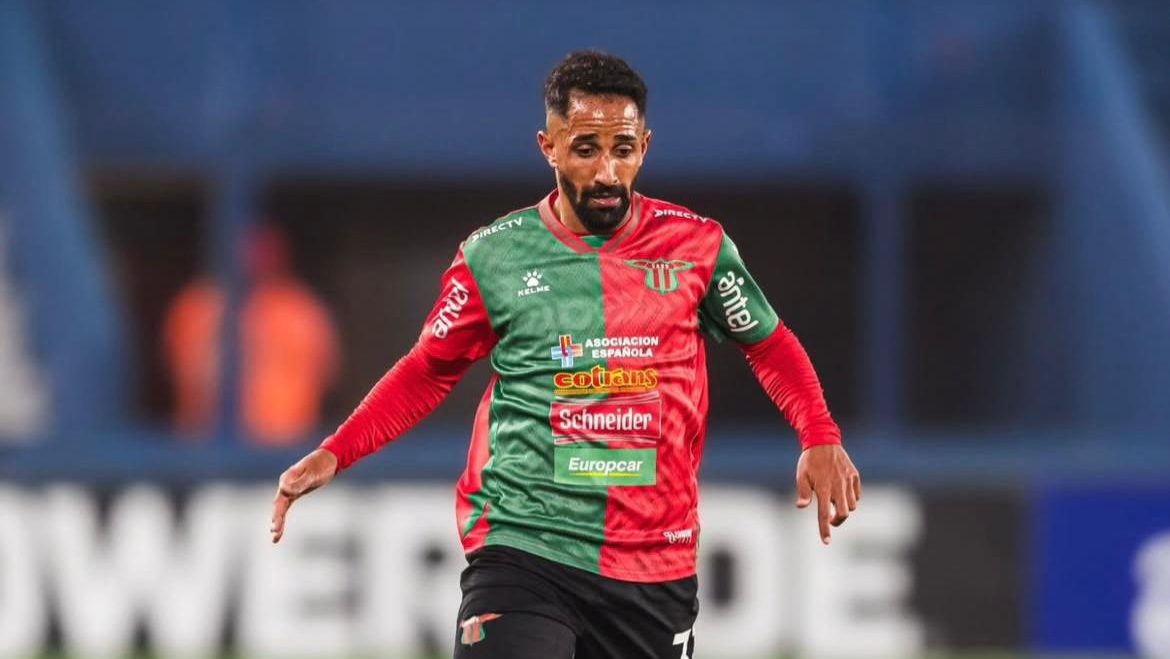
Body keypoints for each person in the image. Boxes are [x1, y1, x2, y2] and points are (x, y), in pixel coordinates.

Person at [270, 51, 861, 658]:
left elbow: (768, 343)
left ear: (645, 147)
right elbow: (429, 368)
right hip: (524, 546)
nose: (607, 171)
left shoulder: (697, 247)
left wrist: (818, 433)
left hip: (654, 565)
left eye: (623, 149)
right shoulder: (493, 257)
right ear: (548, 147)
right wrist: (337, 451)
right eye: (585, 149)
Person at [164, 224, 339, 445]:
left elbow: (326, 373)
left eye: (263, 248)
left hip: (285, 444)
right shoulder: (199, 306)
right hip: (207, 448)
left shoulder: (300, 309)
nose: (255, 256)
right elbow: (186, 374)